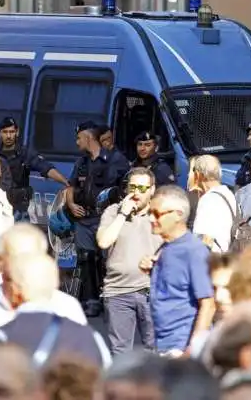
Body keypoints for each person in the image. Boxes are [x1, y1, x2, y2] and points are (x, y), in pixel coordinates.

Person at [66, 121, 130, 318]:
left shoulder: (116, 159)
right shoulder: (82, 163)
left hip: (106, 219)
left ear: (88, 138)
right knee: (86, 259)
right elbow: (70, 186)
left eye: (79, 138)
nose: (77, 142)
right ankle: (91, 300)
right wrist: (70, 204)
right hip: (84, 218)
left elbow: (126, 187)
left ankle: (110, 299)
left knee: (108, 260)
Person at [96, 167, 162, 355]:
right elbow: (103, 241)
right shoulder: (113, 211)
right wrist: (123, 214)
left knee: (155, 352)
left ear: (152, 190)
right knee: (120, 353)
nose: (136, 193)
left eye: (142, 188)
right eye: (132, 187)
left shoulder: (160, 214)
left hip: (152, 292)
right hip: (118, 292)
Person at [144, 185, 215, 357]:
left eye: (157, 213)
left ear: (178, 214)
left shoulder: (194, 251)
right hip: (163, 344)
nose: (151, 219)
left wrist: (191, 351)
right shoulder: (166, 246)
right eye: (149, 213)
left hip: (181, 347)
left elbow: (208, 304)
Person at [0, 116, 68, 222]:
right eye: (5, 132)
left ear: (17, 132)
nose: (8, 136)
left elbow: (45, 168)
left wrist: (65, 182)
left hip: (19, 208)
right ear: (0, 133)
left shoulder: (25, 153)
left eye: (11, 132)